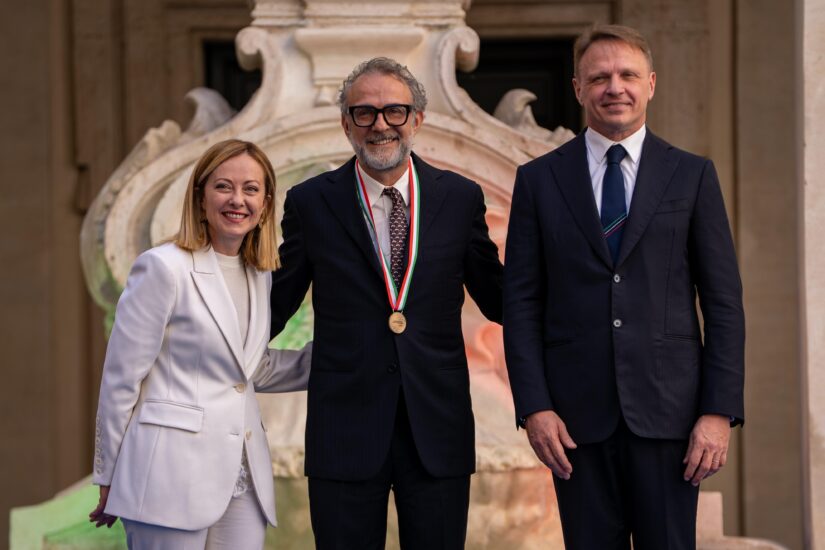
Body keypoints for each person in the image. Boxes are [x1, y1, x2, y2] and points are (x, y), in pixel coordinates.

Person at [503, 25, 745, 550]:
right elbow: (521, 303)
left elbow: (724, 303)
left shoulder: (692, 176)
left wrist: (718, 411)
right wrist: (534, 407)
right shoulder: (539, 181)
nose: (615, 87)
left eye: (627, 75)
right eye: (600, 77)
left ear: (651, 84)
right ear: (577, 89)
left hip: (672, 420)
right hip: (574, 424)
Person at [269, 57, 503, 549]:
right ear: (345, 124)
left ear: (417, 119)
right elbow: (274, 305)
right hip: (344, 431)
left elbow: (501, 299)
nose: (380, 124)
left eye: (395, 111)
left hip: (436, 429)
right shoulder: (311, 203)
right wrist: (200, 348)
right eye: (364, 113)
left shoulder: (459, 199)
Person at [88, 139, 312, 549]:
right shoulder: (162, 267)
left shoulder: (258, 275)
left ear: (265, 203)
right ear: (200, 196)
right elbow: (121, 380)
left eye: (250, 189)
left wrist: (339, 357)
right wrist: (108, 476)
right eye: (224, 187)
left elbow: (250, 368)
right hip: (167, 477)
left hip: (243, 477)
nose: (237, 200)